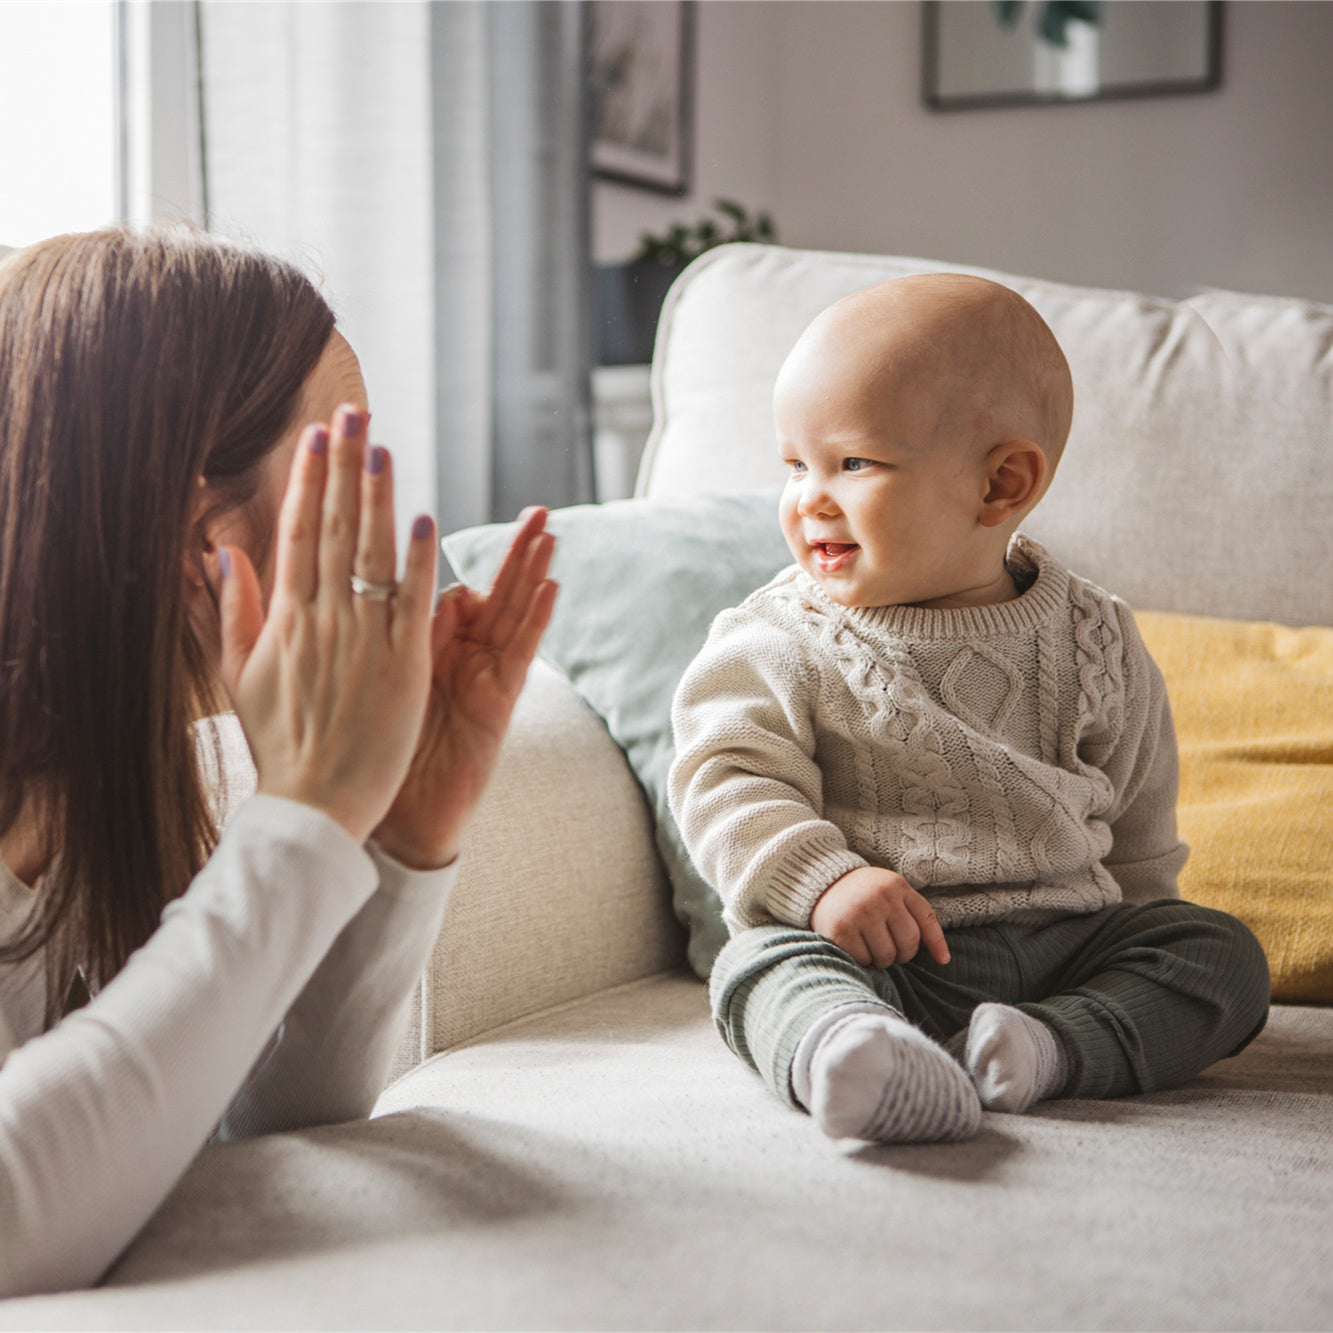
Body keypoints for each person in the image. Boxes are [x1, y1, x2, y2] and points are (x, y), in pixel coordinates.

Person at [0, 226, 556, 1297]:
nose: (378, 549)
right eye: (342, 475)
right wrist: (298, 824)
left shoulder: (92, 814)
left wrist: (393, 842)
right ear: (194, 533)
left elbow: (237, 1140)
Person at [668, 273, 1270, 1146]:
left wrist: (1140, 934)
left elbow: (1139, 815)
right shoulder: (777, 635)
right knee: (757, 964)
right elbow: (722, 774)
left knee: (1222, 955)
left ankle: (1048, 1048)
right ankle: (856, 1052)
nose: (809, 498)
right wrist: (823, 879)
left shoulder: (1094, 636)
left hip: (1072, 945)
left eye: (853, 462)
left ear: (1000, 484)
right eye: (794, 464)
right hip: (885, 955)